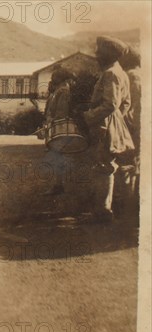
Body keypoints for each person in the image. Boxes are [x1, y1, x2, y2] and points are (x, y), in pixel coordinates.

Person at [83, 36, 133, 222]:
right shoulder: (121, 72)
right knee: (111, 166)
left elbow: (110, 104)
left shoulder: (111, 73)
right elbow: (125, 104)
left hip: (105, 126)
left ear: (108, 54)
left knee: (104, 167)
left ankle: (103, 213)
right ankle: (110, 209)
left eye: (99, 52)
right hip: (113, 124)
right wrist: (117, 118)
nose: (96, 55)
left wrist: (90, 116)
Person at [41, 68, 76, 195]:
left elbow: (61, 112)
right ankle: (58, 184)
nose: (52, 79)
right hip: (56, 126)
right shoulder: (58, 91)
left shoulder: (63, 91)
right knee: (56, 156)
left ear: (59, 78)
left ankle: (58, 185)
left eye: (54, 77)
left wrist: (51, 123)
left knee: (58, 156)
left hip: (59, 127)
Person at [118, 47, 141, 203]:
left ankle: (127, 203)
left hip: (131, 126)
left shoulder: (129, 77)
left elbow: (126, 107)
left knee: (128, 165)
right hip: (141, 126)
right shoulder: (143, 75)